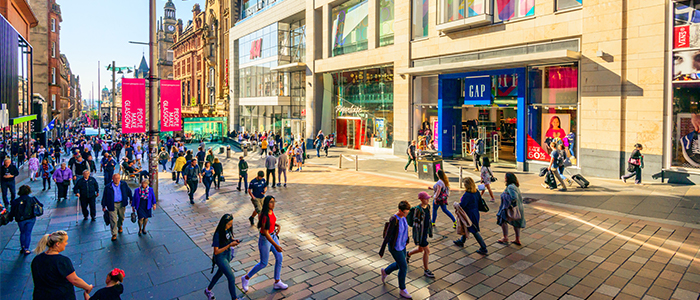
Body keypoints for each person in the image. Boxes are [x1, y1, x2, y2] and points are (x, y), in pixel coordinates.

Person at [241, 196, 288, 292]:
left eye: (274, 202)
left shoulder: (271, 211)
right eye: (271, 202)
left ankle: (277, 281)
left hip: (273, 236)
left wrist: (277, 225)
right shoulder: (264, 215)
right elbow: (266, 233)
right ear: (267, 203)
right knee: (263, 263)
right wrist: (276, 245)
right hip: (265, 240)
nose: (273, 204)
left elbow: (271, 222)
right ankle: (246, 278)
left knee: (279, 257)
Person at [32, 230, 94, 300]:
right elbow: (74, 280)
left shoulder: (37, 259)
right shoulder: (62, 261)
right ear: (57, 244)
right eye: (65, 241)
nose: (66, 243)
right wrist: (87, 287)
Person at [379, 200, 412, 299]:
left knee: (400, 264)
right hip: (395, 247)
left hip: (402, 245)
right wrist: (382, 250)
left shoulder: (403, 217)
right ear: (400, 210)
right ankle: (402, 289)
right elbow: (387, 236)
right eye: (405, 212)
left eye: (407, 212)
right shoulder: (394, 219)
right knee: (404, 267)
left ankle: (385, 271)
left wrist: (407, 239)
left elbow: (405, 230)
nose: (406, 214)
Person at [204, 214, 241, 300]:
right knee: (231, 277)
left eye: (231, 224)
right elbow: (216, 251)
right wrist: (229, 245)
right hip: (221, 257)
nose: (230, 226)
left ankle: (208, 290)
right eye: (228, 224)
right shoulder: (218, 234)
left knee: (219, 273)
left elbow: (229, 239)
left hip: (227, 254)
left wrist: (234, 241)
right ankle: (234, 298)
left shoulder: (228, 230)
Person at [453, 177, 488, 254]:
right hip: (475, 213)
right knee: (468, 227)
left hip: (469, 214)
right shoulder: (476, 192)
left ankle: (483, 247)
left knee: (473, 230)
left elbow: (462, 205)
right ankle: (462, 241)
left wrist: (456, 204)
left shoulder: (467, 195)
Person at [406, 192, 434, 278]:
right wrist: (417, 238)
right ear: (421, 199)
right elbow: (416, 225)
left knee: (420, 249)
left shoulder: (428, 207)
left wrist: (430, 231)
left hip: (425, 232)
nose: (428, 200)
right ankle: (426, 270)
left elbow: (428, 220)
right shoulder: (418, 210)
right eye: (426, 199)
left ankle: (407, 254)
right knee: (427, 251)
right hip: (420, 234)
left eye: (428, 198)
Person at [10, 185, 43, 255]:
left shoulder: (15, 201)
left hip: (20, 219)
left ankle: (22, 246)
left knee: (22, 232)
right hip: (30, 218)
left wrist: (10, 217)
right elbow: (41, 205)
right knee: (28, 233)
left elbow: (12, 211)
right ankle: (26, 248)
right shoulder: (32, 199)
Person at [102, 174, 133, 241]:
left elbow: (129, 191)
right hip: (112, 204)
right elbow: (104, 196)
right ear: (112, 179)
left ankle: (119, 225)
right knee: (113, 219)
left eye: (118, 178)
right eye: (115, 178)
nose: (117, 180)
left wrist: (131, 199)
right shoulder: (108, 187)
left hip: (122, 203)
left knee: (121, 217)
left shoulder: (123, 184)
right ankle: (114, 233)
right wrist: (103, 206)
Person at [496, 172, 525, 245]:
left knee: (503, 220)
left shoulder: (510, 187)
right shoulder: (515, 186)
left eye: (505, 177)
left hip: (510, 208)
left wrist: (509, 203)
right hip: (518, 207)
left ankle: (505, 237)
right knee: (516, 223)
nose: (504, 179)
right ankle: (517, 239)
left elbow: (513, 197)